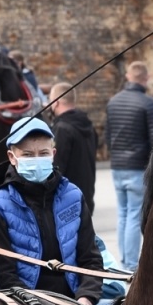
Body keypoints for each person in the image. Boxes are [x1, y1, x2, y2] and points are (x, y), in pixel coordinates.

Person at [0, 116, 103, 305]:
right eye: (27, 155)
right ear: (12, 157)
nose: (37, 160)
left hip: (76, 301)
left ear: (53, 154)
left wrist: (86, 298)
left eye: (43, 153)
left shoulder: (73, 196)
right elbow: (3, 273)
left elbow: (91, 259)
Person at [104, 60, 153, 270]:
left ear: (128, 77)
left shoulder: (113, 102)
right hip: (138, 166)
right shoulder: (148, 104)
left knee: (123, 213)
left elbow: (108, 135)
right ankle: (129, 263)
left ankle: (123, 260)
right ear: (145, 79)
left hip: (117, 165)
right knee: (135, 214)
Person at [48, 82, 98, 218]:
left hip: (66, 200)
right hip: (86, 196)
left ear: (56, 102)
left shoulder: (62, 129)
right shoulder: (88, 126)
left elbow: (56, 168)